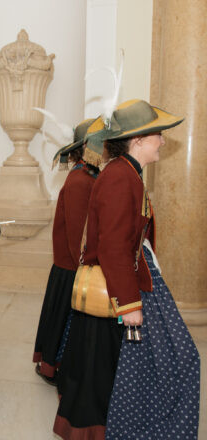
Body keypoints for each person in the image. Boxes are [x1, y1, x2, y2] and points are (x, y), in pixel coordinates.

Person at [54, 99, 200, 439]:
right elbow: (114, 247)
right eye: (158, 135)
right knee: (180, 359)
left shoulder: (125, 171)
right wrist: (130, 305)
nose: (162, 140)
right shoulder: (121, 176)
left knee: (123, 366)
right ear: (137, 139)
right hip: (124, 286)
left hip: (131, 280)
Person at [33, 118, 99, 385]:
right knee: (64, 321)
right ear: (86, 148)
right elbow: (77, 235)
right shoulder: (81, 181)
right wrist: (86, 268)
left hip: (74, 266)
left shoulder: (90, 176)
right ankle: (53, 367)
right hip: (72, 267)